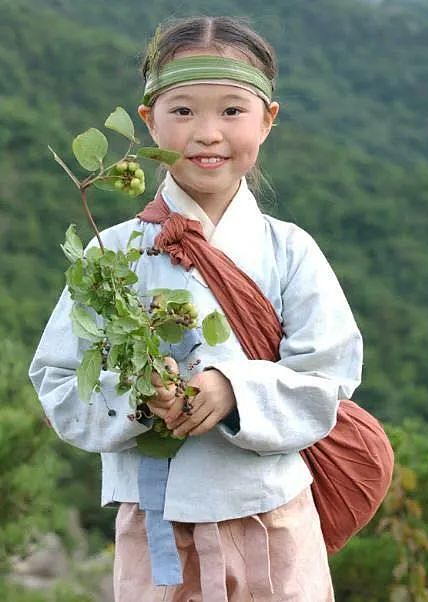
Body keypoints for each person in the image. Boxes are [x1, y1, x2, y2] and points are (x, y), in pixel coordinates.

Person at [29, 15, 363, 601]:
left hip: (275, 520)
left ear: (269, 119)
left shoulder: (289, 251)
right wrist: (140, 398)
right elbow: (58, 380)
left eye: (232, 110)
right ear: (147, 120)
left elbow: (329, 378)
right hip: (157, 527)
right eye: (182, 111)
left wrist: (233, 390)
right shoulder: (113, 252)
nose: (207, 133)